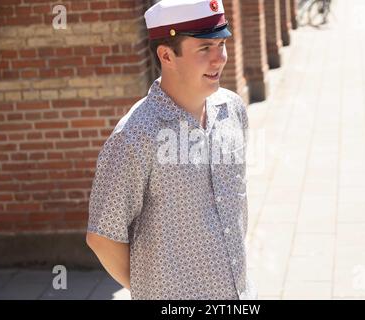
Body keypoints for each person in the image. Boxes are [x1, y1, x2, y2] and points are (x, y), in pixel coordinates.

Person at [86, 0, 257, 300]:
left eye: (222, 44)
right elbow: (102, 237)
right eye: (205, 49)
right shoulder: (135, 136)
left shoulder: (233, 109)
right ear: (167, 55)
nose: (220, 59)